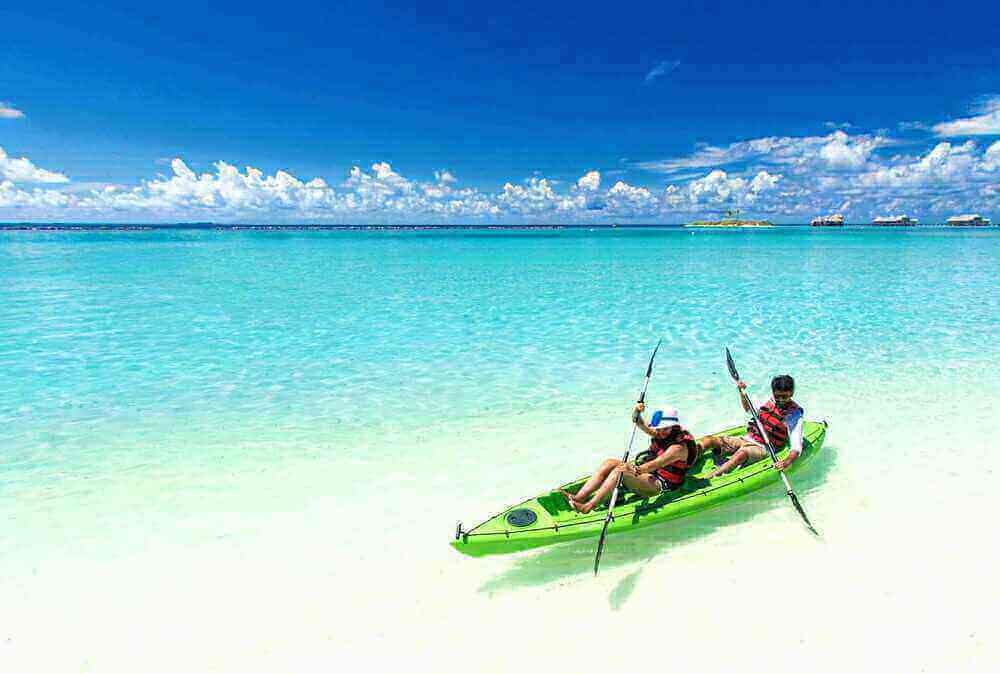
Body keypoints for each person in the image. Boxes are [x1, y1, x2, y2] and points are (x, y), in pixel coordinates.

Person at [561, 403, 702, 514]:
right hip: (650, 475)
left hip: (662, 484)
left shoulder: (678, 448)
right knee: (609, 463)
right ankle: (578, 497)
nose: (660, 432)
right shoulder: (661, 433)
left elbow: (656, 463)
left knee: (619, 472)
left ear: (674, 426)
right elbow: (639, 422)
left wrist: (634, 469)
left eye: (664, 428)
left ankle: (588, 507)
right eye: (659, 429)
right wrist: (636, 411)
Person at [700, 374, 804, 478]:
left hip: (764, 448)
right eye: (777, 396)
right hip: (747, 438)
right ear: (773, 392)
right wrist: (741, 392)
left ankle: (712, 476)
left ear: (792, 393)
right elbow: (748, 409)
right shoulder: (768, 401)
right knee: (709, 440)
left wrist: (787, 462)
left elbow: (796, 446)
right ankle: (689, 460)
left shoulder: (794, 414)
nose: (781, 400)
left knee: (741, 453)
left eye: (784, 396)